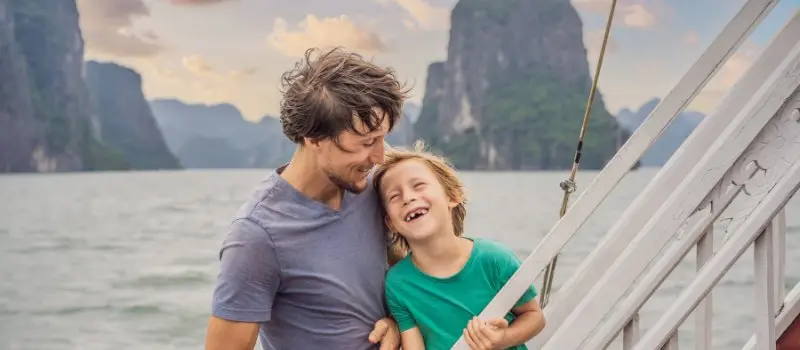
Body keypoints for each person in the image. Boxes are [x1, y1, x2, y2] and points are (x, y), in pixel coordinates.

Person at [204, 47, 410, 350]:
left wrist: (397, 321)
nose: (379, 156)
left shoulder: (375, 187)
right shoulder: (256, 236)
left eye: (382, 138)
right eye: (366, 142)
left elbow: (410, 275)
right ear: (313, 138)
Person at [373, 141, 547, 350]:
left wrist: (503, 338)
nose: (408, 198)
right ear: (391, 223)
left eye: (418, 186)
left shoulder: (495, 260)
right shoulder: (398, 283)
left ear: (452, 195)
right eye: (394, 196)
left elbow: (534, 316)